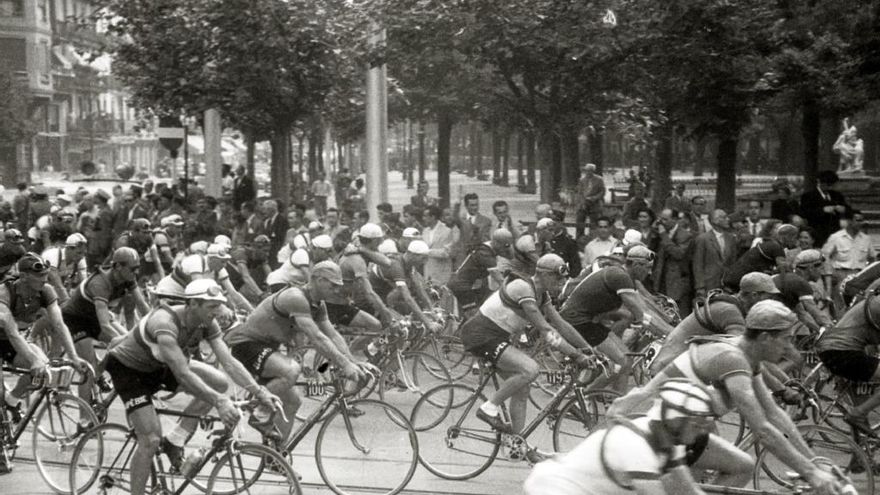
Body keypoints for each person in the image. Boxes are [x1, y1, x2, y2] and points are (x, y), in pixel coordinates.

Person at [612, 300, 843, 495]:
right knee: (733, 469)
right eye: (786, 339)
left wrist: (814, 462)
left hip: (684, 431)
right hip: (663, 434)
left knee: (743, 466)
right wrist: (811, 474)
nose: (789, 348)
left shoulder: (746, 356)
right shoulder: (732, 358)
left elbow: (773, 412)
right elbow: (762, 430)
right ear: (765, 337)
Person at [105, 280, 278, 494]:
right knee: (150, 440)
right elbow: (183, 375)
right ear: (193, 304)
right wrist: (219, 402)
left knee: (219, 382)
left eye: (219, 305)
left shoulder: (207, 323)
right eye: (211, 306)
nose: (217, 312)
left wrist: (260, 392)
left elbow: (229, 362)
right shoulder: (165, 322)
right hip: (130, 370)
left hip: (160, 365)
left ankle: (175, 440)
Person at [224, 261, 371, 440]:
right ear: (318, 280)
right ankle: (259, 412)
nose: (336, 290)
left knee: (293, 402)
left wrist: (353, 362)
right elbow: (317, 337)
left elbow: (332, 334)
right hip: (247, 344)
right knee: (291, 370)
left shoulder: (318, 304)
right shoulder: (296, 297)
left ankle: (275, 452)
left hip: (267, 347)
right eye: (333, 285)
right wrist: (344, 364)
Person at [460, 254, 593, 449]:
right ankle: (488, 408)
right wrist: (576, 355)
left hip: (496, 337)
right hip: (480, 335)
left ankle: (517, 444)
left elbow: (561, 324)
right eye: (558, 278)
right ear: (544, 275)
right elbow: (546, 330)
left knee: (522, 388)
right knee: (530, 369)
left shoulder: (542, 295)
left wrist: (588, 348)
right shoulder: (522, 288)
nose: (561, 283)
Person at [524, 379, 719, 495]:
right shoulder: (636, 446)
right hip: (554, 489)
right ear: (675, 420)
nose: (702, 432)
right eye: (696, 425)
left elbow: (689, 490)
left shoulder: (670, 441)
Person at [0, 254, 89, 426]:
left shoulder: (46, 291)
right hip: (11, 336)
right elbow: (12, 333)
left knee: (43, 369)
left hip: (13, 341)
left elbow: (59, 325)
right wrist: (33, 359)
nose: (45, 279)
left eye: (46, 275)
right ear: (24, 277)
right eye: (39, 276)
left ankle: (11, 400)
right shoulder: (4, 294)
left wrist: (73, 357)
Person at [559, 245, 660, 393]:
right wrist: (670, 332)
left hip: (590, 320)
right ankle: (585, 396)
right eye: (648, 268)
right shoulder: (620, 276)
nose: (650, 272)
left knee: (627, 362)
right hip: (579, 320)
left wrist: (668, 323)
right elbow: (642, 313)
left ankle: (618, 401)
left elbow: (646, 304)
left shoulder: (627, 277)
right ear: (637, 265)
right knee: (621, 362)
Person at [62, 247, 148, 403]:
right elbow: (105, 327)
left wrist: (153, 325)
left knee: (130, 341)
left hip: (95, 318)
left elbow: (142, 305)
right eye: (133, 268)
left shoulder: (128, 277)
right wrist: (128, 343)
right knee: (88, 370)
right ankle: (85, 415)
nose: (136, 272)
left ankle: (99, 372)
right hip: (76, 321)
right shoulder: (100, 283)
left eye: (138, 268)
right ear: (118, 266)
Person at [650, 272, 778, 374]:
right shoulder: (730, 311)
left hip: (676, 366)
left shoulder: (733, 306)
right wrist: (781, 388)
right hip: (671, 370)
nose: (771, 301)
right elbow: (746, 353)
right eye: (769, 297)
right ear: (754, 295)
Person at [447, 228, 513, 317]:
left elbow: (511, 256)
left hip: (467, 284)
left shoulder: (488, 246)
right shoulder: (485, 254)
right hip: (462, 286)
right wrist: (509, 292)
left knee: (476, 313)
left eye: (507, 246)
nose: (504, 249)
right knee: (474, 316)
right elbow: (498, 278)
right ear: (496, 243)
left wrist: (508, 246)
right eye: (503, 246)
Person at [822, 210, 875, 310]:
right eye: (858, 220)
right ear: (849, 221)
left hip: (860, 276)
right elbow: (825, 256)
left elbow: (873, 258)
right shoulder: (836, 237)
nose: (860, 223)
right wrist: (830, 273)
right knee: (841, 307)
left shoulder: (866, 239)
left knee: (858, 306)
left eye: (862, 220)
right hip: (840, 275)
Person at [722, 223, 797, 292]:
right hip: (738, 282)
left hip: (732, 278)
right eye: (794, 238)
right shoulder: (776, 247)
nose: (795, 241)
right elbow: (783, 268)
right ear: (786, 237)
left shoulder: (770, 243)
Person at [653, 208, 695, 316]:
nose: (662, 222)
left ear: (675, 219)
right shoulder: (659, 232)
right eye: (661, 219)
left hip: (677, 284)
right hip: (661, 281)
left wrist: (663, 235)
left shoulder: (685, 235)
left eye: (665, 219)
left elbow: (678, 254)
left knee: (679, 315)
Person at [799, 170, 851, 246]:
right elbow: (804, 213)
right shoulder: (808, 196)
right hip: (817, 231)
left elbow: (849, 210)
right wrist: (823, 210)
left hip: (834, 232)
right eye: (828, 185)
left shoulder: (837, 195)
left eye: (832, 185)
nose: (830, 188)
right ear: (820, 182)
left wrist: (844, 209)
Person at [692, 209, 736, 298]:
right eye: (724, 217)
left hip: (726, 286)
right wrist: (700, 286)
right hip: (708, 284)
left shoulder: (731, 238)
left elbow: (733, 261)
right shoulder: (703, 239)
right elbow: (698, 264)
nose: (728, 219)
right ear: (715, 220)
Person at [42, 233, 89, 304]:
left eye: (84, 253)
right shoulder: (53, 255)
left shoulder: (80, 259)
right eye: (79, 253)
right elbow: (58, 285)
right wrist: (68, 303)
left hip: (57, 289)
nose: (82, 256)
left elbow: (84, 284)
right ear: (68, 249)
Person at [421, 205, 455, 285]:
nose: (423, 218)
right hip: (427, 274)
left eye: (425, 216)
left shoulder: (447, 231)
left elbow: (447, 252)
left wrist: (428, 252)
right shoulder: (425, 231)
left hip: (442, 275)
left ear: (433, 217)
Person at [575, 163, 606, 239]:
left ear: (593, 171)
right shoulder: (582, 180)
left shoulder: (599, 179)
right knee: (580, 219)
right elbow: (580, 192)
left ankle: (593, 237)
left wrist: (594, 198)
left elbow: (602, 191)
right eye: (586, 170)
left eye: (590, 171)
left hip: (594, 203)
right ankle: (579, 238)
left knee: (594, 222)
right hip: (584, 203)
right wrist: (582, 202)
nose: (588, 172)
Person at [547, 210, 582, 276]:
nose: (553, 223)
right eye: (550, 220)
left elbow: (575, 267)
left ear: (561, 223)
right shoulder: (543, 240)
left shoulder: (569, 243)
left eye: (556, 220)